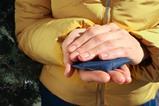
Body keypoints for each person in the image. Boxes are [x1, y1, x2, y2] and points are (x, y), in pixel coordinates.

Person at [15, 0, 159, 106]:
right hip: (61, 96)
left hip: (139, 98)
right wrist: (64, 41)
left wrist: (144, 48)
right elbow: (28, 26)